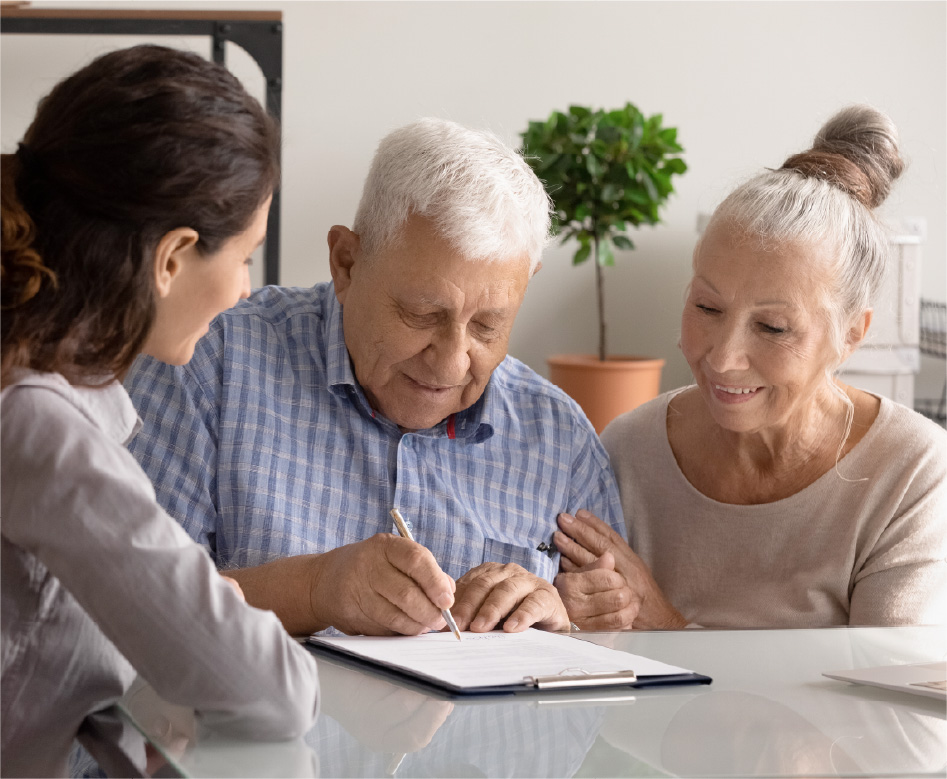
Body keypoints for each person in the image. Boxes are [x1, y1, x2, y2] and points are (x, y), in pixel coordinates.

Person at [125, 117, 627, 638]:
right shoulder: (209, 366)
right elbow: (121, 606)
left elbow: (619, 665)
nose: (452, 362)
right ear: (346, 263)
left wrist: (566, 621)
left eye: (487, 325)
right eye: (422, 315)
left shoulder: (559, 439)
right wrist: (314, 589)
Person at [0, 45, 319, 777]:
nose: (244, 290)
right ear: (172, 256)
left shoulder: (39, 390)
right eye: (244, 257)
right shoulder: (41, 427)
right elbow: (272, 691)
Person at [554, 105, 947, 629]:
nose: (722, 358)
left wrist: (666, 629)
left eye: (773, 328)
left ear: (851, 334)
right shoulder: (627, 450)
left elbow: (881, 701)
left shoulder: (911, 470)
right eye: (707, 308)